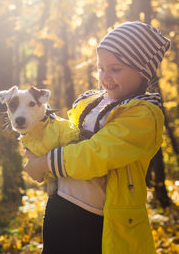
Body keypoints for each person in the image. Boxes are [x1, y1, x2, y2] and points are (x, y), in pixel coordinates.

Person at [24, 21, 170, 254]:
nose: (105, 77)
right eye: (100, 68)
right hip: (60, 204)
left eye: (116, 68)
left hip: (96, 219)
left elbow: (96, 154)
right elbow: (65, 137)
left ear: (142, 71)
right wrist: (35, 137)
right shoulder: (89, 103)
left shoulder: (143, 115)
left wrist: (45, 163)